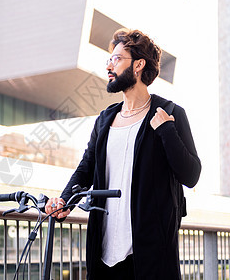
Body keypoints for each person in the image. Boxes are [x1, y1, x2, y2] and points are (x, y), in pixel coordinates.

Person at [45, 28, 201, 279]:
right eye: (109, 59)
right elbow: (86, 168)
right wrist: (65, 201)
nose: (109, 65)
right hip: (104, 252)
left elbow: (191, 175)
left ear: (138, 65)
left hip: (150, 253)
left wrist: (167, 131)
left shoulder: (170, 112)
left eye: (117, 59)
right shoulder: (105, 119)